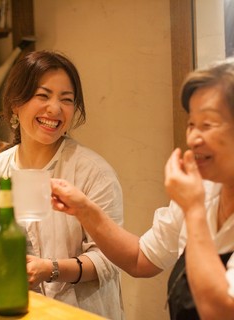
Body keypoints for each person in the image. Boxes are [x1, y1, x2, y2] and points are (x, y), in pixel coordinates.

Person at [51, 57, 234, 320]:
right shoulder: (204, 190)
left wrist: (193, 210)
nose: (193, 138)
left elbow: (221, 312)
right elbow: (141, 259)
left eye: (208, 125)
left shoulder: (194, 199)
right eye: (191, 124)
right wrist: (84, 210)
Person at [0, 50, 125, 319]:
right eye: (43, 96)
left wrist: (51, 268)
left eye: (66, 100)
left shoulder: (93, 172)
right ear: (15, 103)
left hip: (77, 312)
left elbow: (110, 259)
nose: (55, 109)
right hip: (12, 310)